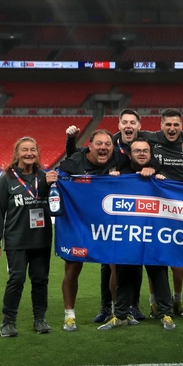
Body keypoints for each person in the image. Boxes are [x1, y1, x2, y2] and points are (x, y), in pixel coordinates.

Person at [100, 138, 176, 330]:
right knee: (125, 274)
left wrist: (161, 178)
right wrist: (112, 178)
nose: (142, 154)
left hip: (153, 235)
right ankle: (120, 315)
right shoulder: (121, 175)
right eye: (137, 151)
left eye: (145, 151)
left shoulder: (160, 176)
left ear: (150, 154)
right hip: (129, 235)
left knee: (159, 274)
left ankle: (166, 314)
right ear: (130, 154)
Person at [0, 137, 58, 337]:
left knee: (40, 280)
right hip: (16, 239)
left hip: (41, 239)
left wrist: (52, 184)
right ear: (17, 154)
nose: (29, 153)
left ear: (38, 153)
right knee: (16, 280)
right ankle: (8, 322)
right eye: (24, 150)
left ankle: (40, 319)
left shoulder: (44, 177)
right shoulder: (7, 179)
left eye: (33, 150)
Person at [57, 129, 120, 331]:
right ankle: (69, 316)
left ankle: (116, 312)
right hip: (79, 224)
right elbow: (59, 178)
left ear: (112, 147)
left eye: (107, 144)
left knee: (116, 266)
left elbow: (139, 166)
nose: (103, 147)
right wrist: (52, 178)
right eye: (99, 144)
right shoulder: (75, 161)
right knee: (72, 269)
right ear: (90, 146)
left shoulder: (118, 159)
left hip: (107, 225)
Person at [145, 108, 183, 317]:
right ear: (161, 125)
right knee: (155, 257)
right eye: (168, 124)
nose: (172, 128)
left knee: (178, 259)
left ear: (182, 126)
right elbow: (122, 137)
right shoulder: (150, 138)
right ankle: (154, 303)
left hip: (180, 206)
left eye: (176, 124)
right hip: (156, 207)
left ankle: (177, 301)